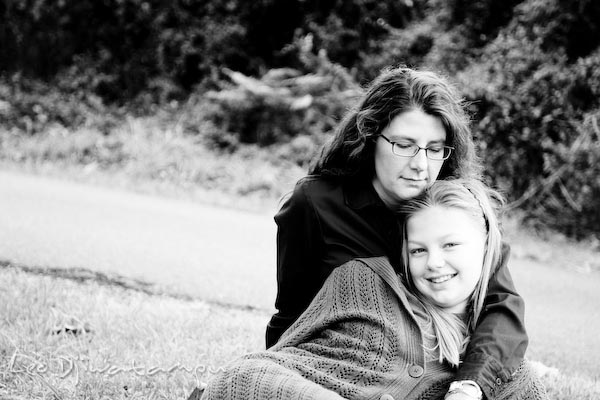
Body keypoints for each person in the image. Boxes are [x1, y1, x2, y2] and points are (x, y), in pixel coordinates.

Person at [266, 66, 528, 399]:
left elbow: (502, 306)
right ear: (371, 136)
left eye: (435, 149)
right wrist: (280, 377)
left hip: (438, 375)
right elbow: (291, 314)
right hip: (344, 373)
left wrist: (471, 384)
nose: (421, 165)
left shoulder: (459, 211)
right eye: (405, 145)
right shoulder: (315, 204)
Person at [200, 179, 547, 400]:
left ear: (488, 248)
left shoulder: (504, 368)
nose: (434, 263)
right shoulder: (364, 280)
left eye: (451, 245)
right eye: (418, 250)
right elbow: (260, 369)